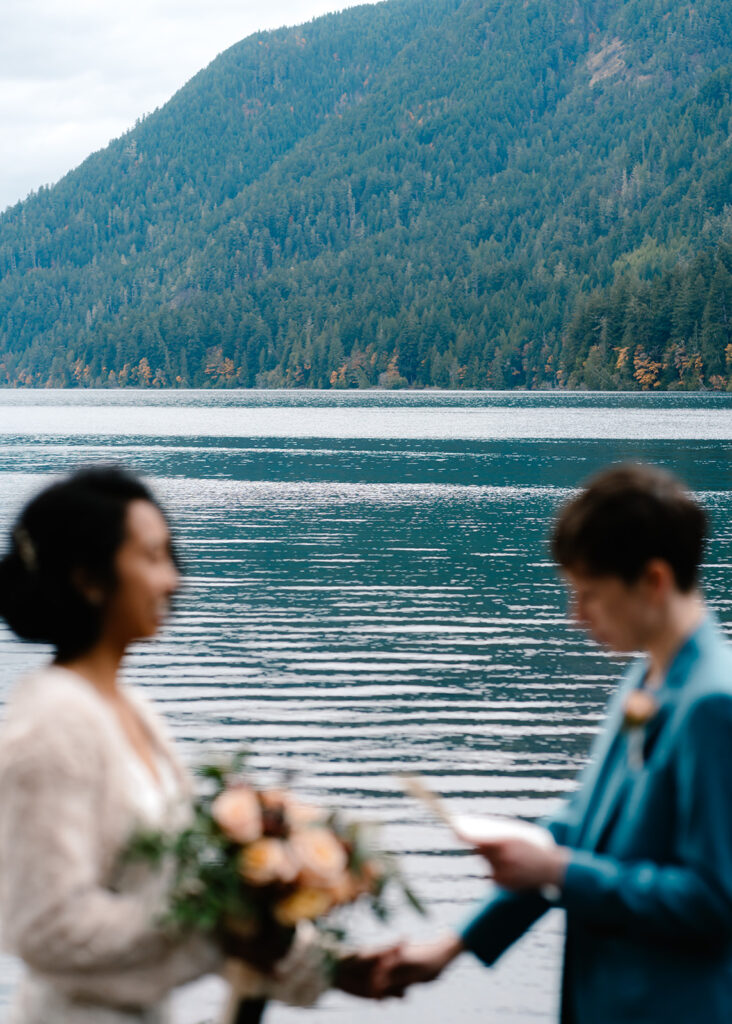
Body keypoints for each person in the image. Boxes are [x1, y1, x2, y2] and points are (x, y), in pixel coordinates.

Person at [0, 468, 395, 1024]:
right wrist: (219, 938)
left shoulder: (133, 710)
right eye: (153, 557)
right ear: (89, 578)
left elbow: (194, 882)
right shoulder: (52, 724)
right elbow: (45, 926)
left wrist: (326, 965)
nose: (174, 581)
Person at [379, 463, 732, 1022]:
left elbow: (714, 901)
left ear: (654, 581)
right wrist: (451, 949)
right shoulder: (644, 678)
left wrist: (558, 871)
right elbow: (577, 830)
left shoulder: (715, 704)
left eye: (588, 594)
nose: (576, 617)